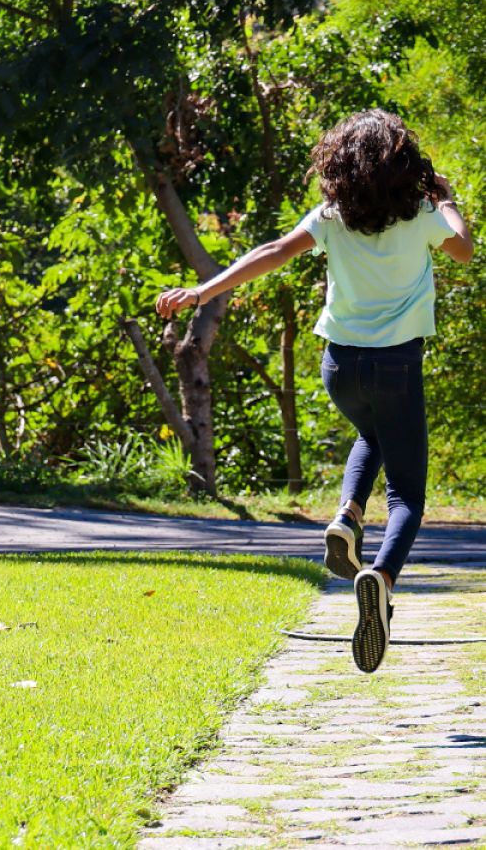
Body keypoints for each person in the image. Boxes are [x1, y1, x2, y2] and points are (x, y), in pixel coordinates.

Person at [155, 109, 474, 673]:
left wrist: (202, 291)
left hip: (340, 366)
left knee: (369, 434)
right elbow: (464, 249)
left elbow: (272, 252)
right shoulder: (422, 215)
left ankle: (346, 518)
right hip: (397, 365)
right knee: (407, 496)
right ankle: (381, 576)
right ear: (402, 165)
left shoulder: (331, 216)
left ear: (342, 166)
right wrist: (447, 200)